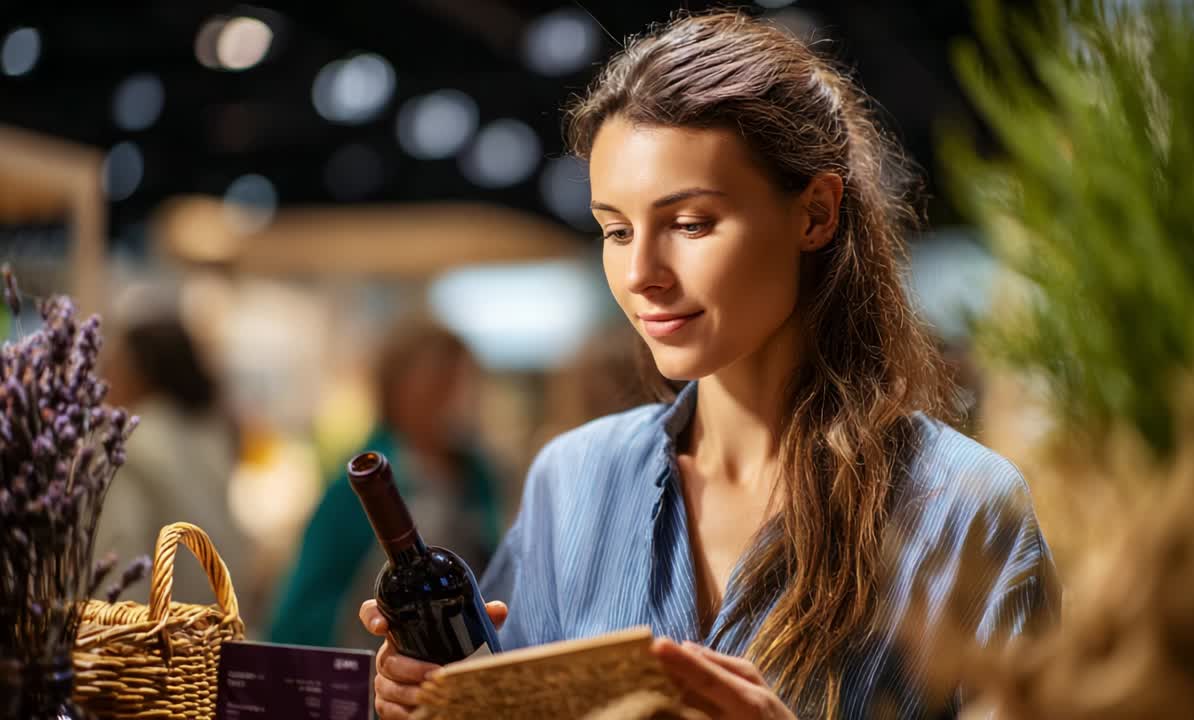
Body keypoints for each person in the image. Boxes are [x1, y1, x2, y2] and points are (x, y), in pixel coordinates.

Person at [361, 12, 1060, 720]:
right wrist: (435, 700)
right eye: (616, 230)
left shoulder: (964, 510)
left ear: (815, 214)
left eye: (690, 223)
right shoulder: (572, 484)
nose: (641, 274)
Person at [270, 318, 502, 651]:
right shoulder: (361, 490)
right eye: (439, 383)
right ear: (396, 389)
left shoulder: (477, 475)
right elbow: (299, 613)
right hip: (382, 678)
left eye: (461, 382)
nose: (455, 398)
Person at [97, 315, 247, 606]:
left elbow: (121, 560)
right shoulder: (209, 436)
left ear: (138, 373)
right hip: (212, 624)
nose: (105, 380)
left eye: (113, 366)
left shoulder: (135, 448)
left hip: (154, 636)